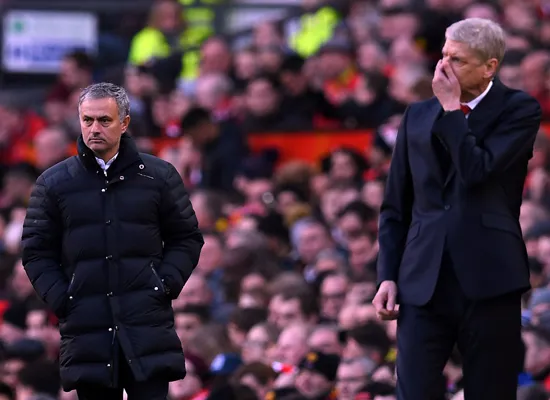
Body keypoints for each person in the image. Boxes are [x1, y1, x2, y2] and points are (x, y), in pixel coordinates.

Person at [373, 18, 542, 399]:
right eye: (444, 55)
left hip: (489, 277)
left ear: (489, 67)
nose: (444, 67)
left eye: (458, 60)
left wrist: (452, 109)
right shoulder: (416, 115)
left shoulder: (519, 110)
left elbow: (476, 171)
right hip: (421, 280)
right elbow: (396, 205)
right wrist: (387, 275)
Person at [21, 82, 204, 400]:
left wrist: (163, 285)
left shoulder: (159, 176)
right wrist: (64, 299)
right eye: (87, 120)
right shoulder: (52, 183)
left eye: (104, 120)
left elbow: (186, 237)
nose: (94, 128)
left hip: (146, 325)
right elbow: (36, 252)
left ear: (124, 122)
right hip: (86, 330)